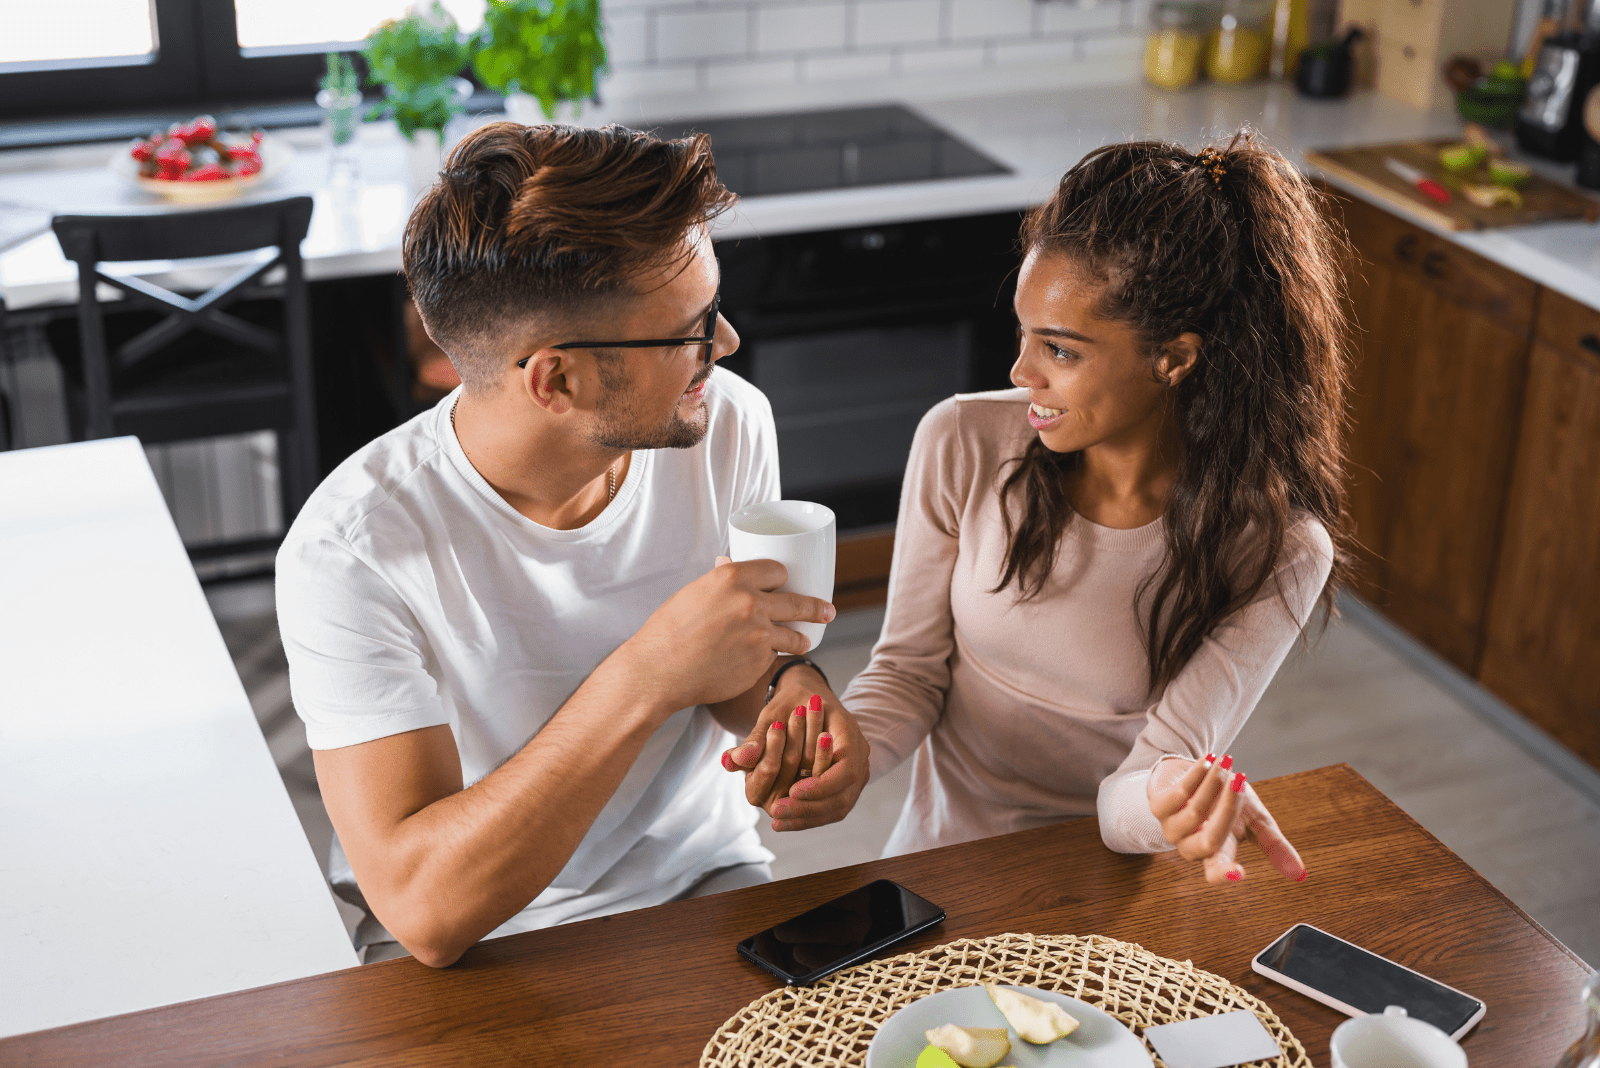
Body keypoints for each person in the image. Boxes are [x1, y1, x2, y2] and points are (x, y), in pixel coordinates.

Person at [275, 122, 868, 968]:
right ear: (558, 379)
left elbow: (742, 665)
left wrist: (794, 707)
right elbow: (424, 910)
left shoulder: (726, 422)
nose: (727, 344)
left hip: (703, 880)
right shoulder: (353, 551)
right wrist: (645, 674)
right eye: (694, 328)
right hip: (481, 942)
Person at [725, 132, 1350, 885]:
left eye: (1061, 351)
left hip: (1097, 894)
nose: (1021, 373)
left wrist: (1172, 799)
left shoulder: (1279, 548)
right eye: (1024, 336)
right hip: (934, 867)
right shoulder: (961, 439)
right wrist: (849, 751)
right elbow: (910, 671)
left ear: (1175, 358)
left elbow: (1138, 790)